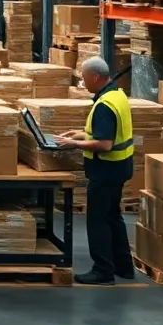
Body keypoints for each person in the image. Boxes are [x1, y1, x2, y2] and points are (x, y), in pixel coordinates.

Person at [57, 56, 134, 285]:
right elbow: (103, 134)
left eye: (84, 78)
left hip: (106, 170)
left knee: (98, 220)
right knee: (113, 217)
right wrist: (78, 133)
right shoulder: (116, 96)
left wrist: (74, 145)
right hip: (120, 167)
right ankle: (123, 267)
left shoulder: (104, 106)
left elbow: (104, 144)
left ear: (95, 77)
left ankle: (103, 271)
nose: (83, 83)